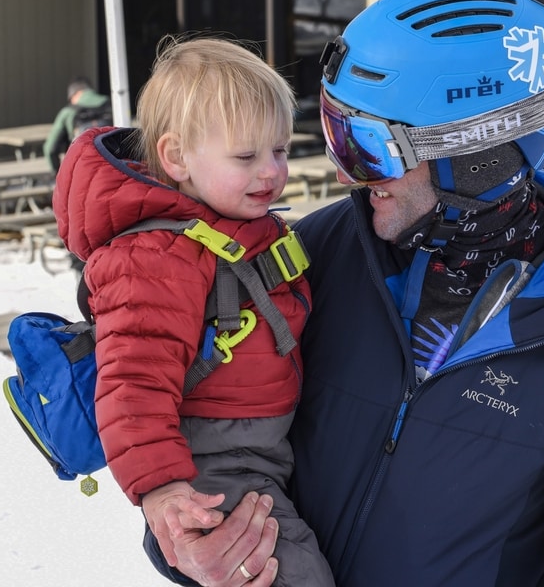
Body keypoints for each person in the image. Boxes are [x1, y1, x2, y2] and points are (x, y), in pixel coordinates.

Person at [142, 0, 544, 586]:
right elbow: (216, 439)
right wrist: (191, 543)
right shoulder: (311, 258)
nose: (352, 175)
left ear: (480, 160)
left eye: (370, 147)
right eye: (337, 135)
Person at [52, 36, 334, 586]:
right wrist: (161, 489)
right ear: (176, 157)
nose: (271, 172)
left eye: (279, 150)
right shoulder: (156, 257)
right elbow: (132, 380)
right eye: (246, 157)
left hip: (263, 444)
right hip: (209, 467)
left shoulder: (236, 227)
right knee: (291, 574)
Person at [43, 76, 111, 173]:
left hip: (82, 170)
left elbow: (50, 149)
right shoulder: (115, 103)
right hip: (113, 167)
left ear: (76, 94)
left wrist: (57, 174)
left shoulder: (68, 111)